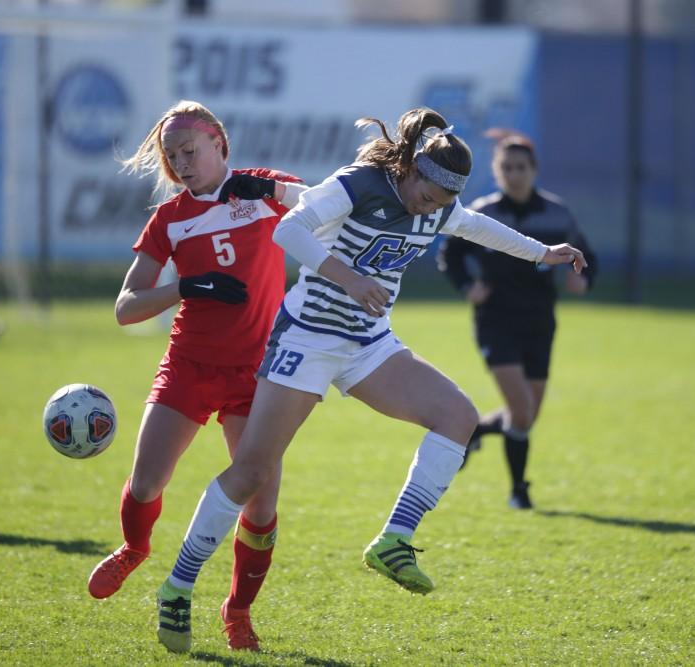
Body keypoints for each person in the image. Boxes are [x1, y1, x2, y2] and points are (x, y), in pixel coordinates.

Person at [152, 108, 586, 653]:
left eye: (440, 203)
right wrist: (352, 280)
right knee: (252, 473)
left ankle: (394, 540)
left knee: (459, 416)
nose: (431, 209)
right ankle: (178, 585)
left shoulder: (440, 204)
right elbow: (290, 230)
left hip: (367, 344)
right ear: (407, 169)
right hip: (307, 338)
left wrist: (542, 253)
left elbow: (476, 226)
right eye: (426, 195)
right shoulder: (356, 185)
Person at [85, 100, 306, 652]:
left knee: (262, 501)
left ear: (220, 146)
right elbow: (126, 307)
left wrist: (275, 193)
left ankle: (237, 612)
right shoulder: (169, 219)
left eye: (191, 151)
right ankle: (135, 549)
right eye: (172, 155)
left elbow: (329, 205)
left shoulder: (261, 190)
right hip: (189, 364)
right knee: (146, 482)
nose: (182, 163)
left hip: (258, 372)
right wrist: (186, 286)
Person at [437, 130, 596, 509]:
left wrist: (582, 277)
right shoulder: (485, 212)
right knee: (521, 410)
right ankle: (518, 491)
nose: (514, 174)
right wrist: (466, 287)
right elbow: (451, 254)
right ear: (496, 171)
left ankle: (476, 430)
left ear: (534, 170)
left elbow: (586, 255)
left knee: (525, 416)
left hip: (540, 320)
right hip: (495, 319)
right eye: (506, 167)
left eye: (521, 167)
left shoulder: (557, 213)